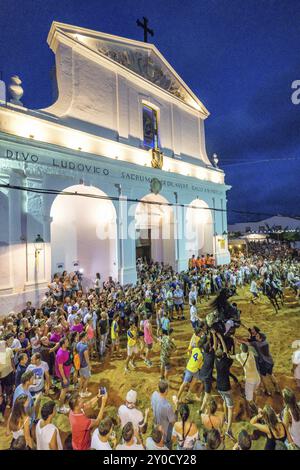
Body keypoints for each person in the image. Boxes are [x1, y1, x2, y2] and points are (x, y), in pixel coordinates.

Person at [229, 342, 260, 414]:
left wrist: (228, 354)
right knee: (252, 391)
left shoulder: (239, 356)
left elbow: (230, 356)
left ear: (241, 350)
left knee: (249, 400)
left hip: (250, 381)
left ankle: (257, 413)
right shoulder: (251, 353)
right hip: (257, 378)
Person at [151, 380, 176, 449]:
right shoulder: (167, 406)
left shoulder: (154, 394)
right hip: (164, 430)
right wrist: (176, 405)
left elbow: (152, 406)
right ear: (166, 391)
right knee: (167, 444)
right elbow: (173, 421)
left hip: (156, 425)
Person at [55, 337, 72, 414]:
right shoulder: (60, 354)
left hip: (67, 373)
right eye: (66, 342)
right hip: (64, 375)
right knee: (63, 390)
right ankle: (60, 408)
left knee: (65, 388)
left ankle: (65, 395)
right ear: (63, 344)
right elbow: (60, 368)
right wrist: (64, 378)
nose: (68, 342)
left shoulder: (65, 350)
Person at [0, 339, 16, 407]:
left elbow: (12, 361)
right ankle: (3, 398)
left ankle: (8, 399)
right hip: (2, 374)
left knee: (8, 388)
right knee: (3, 388)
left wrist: (14, 369)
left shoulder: (9, 350)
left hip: (8, 373)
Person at [76, 332, 92, 398]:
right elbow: (87, 358)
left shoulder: (78, 344)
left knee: (81, 378)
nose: (87, 337)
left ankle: (80, 392)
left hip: (79, 365)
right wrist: (89, 365)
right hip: (84, 365)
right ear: (83, 337)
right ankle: (84, 392)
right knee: (87, 378)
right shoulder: (85, 347)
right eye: (86, 336)